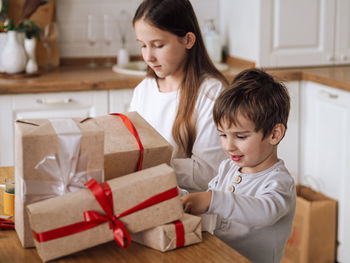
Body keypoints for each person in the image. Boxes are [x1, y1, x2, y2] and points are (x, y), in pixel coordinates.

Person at [181, 68, 296, 263]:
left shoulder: (279, 182)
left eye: (240, 137)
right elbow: (211, 210)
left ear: (274, 134)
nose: (228, 146)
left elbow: (264, 212)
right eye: (223, 135)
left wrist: (211, 200)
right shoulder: (228, 168)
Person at [129, 0, 228, 192]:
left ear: (188, 40)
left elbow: (207, 173)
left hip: (191, 208)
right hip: (148, 195)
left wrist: (146, 164)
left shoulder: (211, 93)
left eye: (157, 45)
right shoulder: (143, 90)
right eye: (142, 45)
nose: (148, 57)